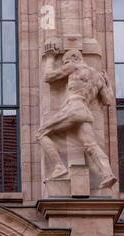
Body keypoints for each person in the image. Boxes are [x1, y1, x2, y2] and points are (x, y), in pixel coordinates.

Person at [37, 40, 117, 189]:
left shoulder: (74, 66)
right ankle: (107, 173)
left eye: (66, 61)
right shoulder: (98, 76)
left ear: (74, 58)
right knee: (90, 145)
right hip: (85, 112)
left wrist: (50, 57)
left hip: (73, 107)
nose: (65, 64)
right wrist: (108, 85)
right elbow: (109, 100)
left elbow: (48, 77)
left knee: (41, 133)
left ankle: (59, 167)